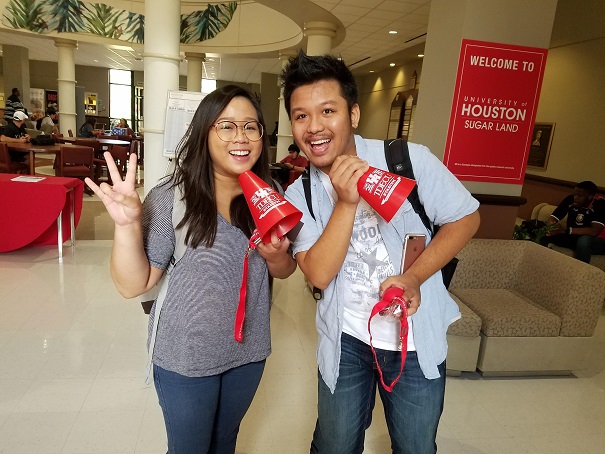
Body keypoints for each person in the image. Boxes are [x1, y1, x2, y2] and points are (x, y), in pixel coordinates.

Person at [281, 51, 480, 454]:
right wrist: (346, 202)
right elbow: (317, 275)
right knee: (335, 445)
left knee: (415, 446)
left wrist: (413, 277)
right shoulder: (298, 193)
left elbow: (466, 218)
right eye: (301, 116)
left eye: (327, 111)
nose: (314, 127)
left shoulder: (406, 160)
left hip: (415, 338)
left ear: (353, 114)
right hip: (347, 339)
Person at [84, 85, 296, 453]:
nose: (241, 137)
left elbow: (283, 270)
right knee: (189, 448)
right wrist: (126, 225)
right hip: (185, 357)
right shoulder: (171, 197)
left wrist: (277, 255)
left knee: (224, 441)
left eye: (251, 126)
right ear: (204, 133)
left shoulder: (270, 194)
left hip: (248, 354)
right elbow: (134, 284)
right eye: (226, 126)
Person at [541, 180, 605, 263]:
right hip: (572, 236)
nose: (575, 197)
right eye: (574, 194)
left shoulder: (600, 204)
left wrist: (566, 230)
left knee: (584, 241)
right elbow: (554, 217)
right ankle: (540, 262)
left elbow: (594, 231)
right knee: (542, 232)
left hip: (596, 241)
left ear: (590, 197)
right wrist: (550, 227)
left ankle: (581, 272)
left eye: (579, 196)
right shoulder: (570, 199)